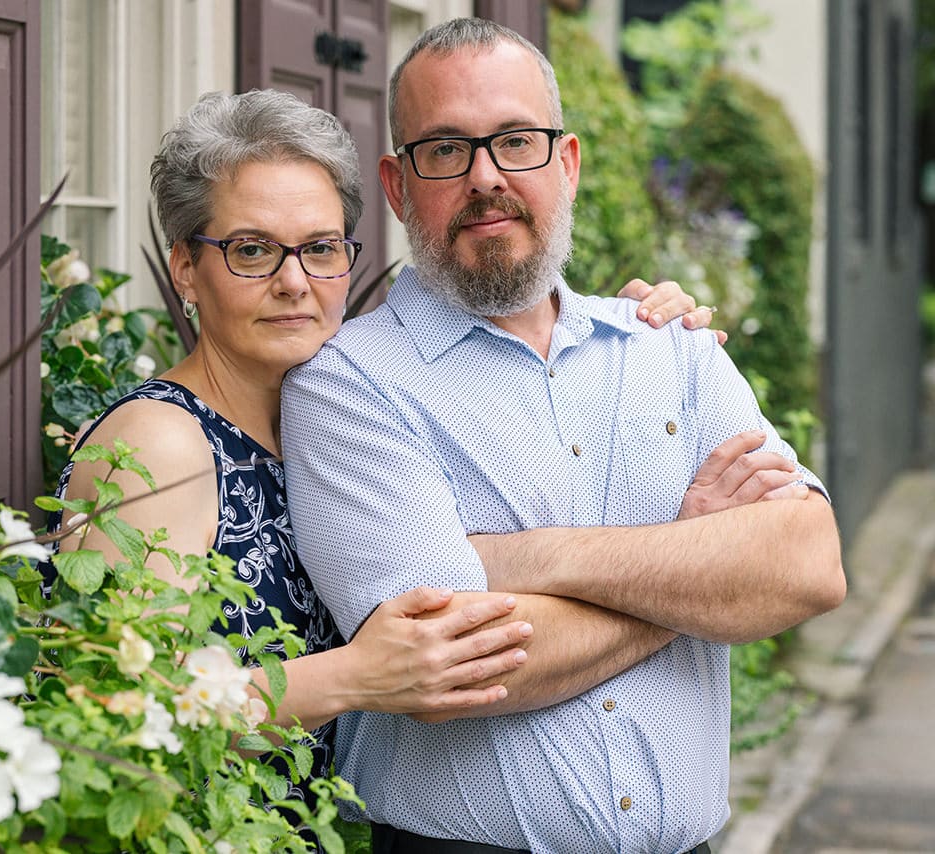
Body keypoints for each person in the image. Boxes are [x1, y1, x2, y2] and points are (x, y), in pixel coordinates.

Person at [42, 88, 722, 815]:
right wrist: (355, 676)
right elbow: (114, 710)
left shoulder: (336, 416)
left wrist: (611, 336)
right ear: (184, 269)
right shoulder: (161, 440)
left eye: (321, 249)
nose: (294, 282)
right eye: (251, 251)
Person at [280, 18, 846, 854]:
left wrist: (522, 559)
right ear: (398, 187)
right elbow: (455, 663)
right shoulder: (347, 383)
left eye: (517, 140)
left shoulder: (674, 347)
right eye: (446, 150)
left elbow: (808, 565)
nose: (486, 177)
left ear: (568, 163)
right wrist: (695, 567)